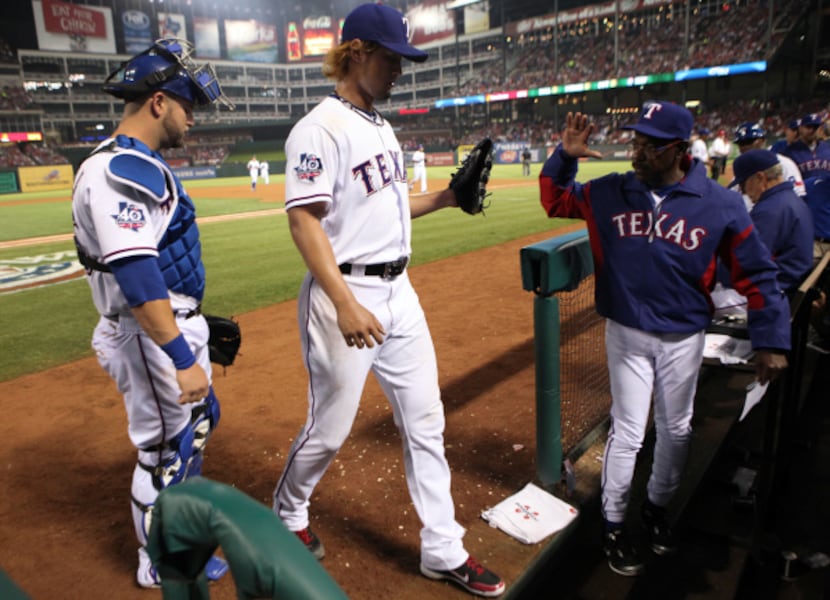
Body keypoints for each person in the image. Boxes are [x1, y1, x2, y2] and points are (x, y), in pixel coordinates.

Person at [271, 4, 505, 598]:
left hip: (400, 292)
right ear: (355, 53)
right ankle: (288, 513)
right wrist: (346, 302)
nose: (400, 69)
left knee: (426, 419)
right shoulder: (319, 127)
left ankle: (442, 549)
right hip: (344, 295)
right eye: (391, 58)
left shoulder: (379, 124)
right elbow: (304, 222)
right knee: (328, 431)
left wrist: (449, 198)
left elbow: (392, 208)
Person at [538, 101, 790, 577]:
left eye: (648, 146)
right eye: (635, 141)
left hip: (684, 335)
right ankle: (613, 523)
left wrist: (772, 339)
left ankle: (656, 511)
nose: (636, 152)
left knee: (676, 429)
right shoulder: (610, 192)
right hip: (627, 332)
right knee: (628, 431)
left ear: (677, 149)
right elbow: (555, 199)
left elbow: (756, 273)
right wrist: (564, 156)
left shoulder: (721, 203)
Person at [71, 38, 235, 588]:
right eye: (189, 106)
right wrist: (180, 353)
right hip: (148, 335)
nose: (194, 119)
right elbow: (139, 275)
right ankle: (160, 563)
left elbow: (161, 262)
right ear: (159, 103)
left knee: (197, 427)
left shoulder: (136, 164)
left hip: (162, 327)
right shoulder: (121, 169)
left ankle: (178, 540)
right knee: (167, 450)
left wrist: (191, 324)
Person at [732, 149, 814, 294]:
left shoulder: (770, 209)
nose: (743, 192)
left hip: (774, 291)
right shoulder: (790, 199)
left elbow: (748, 261)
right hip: (789, 284)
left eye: (743, 184)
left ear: (760, 178)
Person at [780, 113, 830, 260]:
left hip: (825, 205)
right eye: (808, 127)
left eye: (816, 127)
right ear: (800, 128)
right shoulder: (789, 152)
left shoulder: (827, 149)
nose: (812, 130)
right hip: (802, 202)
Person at [730, 122, 805, 211]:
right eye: (741, 143)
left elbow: (798, 195)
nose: (744, 147)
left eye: (749, 142)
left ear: (762, 141)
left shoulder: (784, 163)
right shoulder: (742, 169)